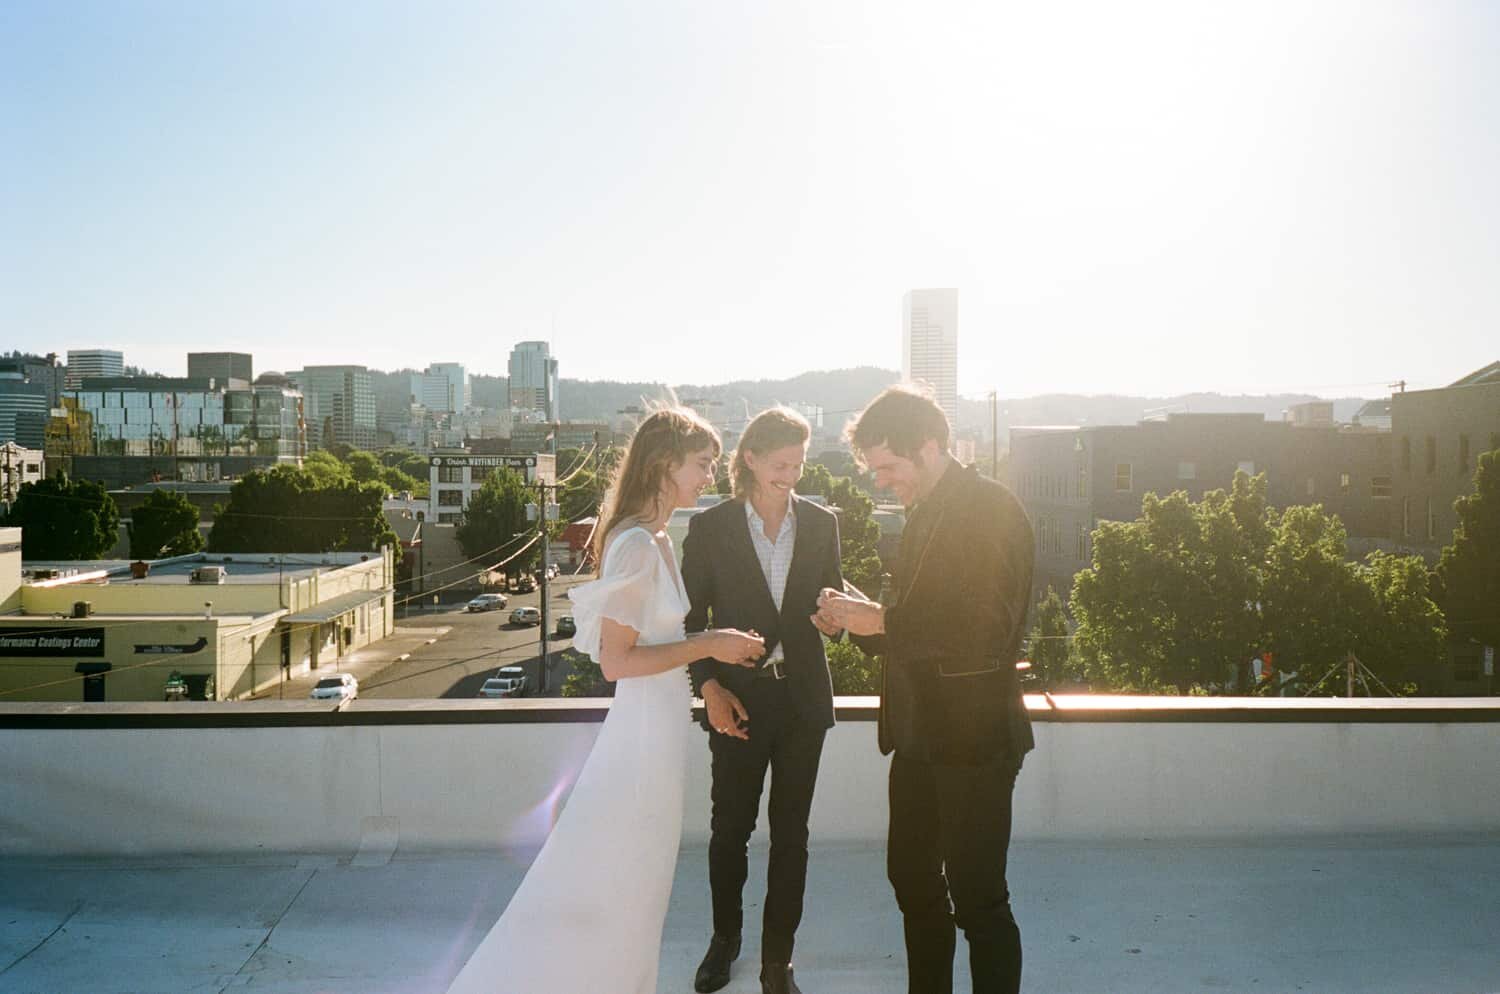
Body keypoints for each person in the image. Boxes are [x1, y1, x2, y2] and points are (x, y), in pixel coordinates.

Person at [445, 407, 766, 994]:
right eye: (702, 464)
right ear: (664, 464)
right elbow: (617, 662)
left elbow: (656, 643)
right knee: (631, 888)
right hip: (643, 740)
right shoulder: (638, 545)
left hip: (661, 732)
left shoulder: (658, 537)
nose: (710, 478)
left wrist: (708, 657)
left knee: (641, 890)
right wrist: (711, 644)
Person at [816, 386, 1035, 994]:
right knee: (912, 882)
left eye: (888, 466)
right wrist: (855, 621)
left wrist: (880, 620)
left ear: (931, 446)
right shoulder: (925, 515)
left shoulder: (991, 509)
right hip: (917, 741)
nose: (882, 482)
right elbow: (915, 632)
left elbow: (983, 631)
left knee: (978, 899)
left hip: (975, 742)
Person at [682, 407, 844, 994]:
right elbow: (689, 620)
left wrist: (838, 622)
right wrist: (709, 688)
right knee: (729, 832)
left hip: (803, 703)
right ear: (748, 458)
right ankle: (725, 942)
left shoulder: (823, 522)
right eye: (781, 464)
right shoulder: (710, 527)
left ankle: (779, 961)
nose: (791, 475)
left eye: (799, 464)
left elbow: (830, 601)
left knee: (792, 835)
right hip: (737, 702)